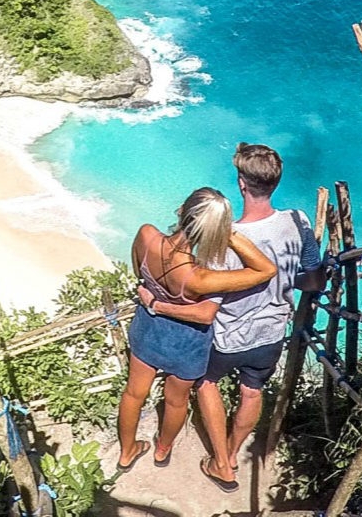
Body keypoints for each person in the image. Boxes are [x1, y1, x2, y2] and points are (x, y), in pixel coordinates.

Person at [139, 143, 323, 489]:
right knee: (251, 393)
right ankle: (234, 454)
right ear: (276, 182)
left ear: (241, 183)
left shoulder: (223, 240)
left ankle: (221, 462)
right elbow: (312, 279)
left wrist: (158, 304)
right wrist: (282, 283)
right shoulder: (298, 221)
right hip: (271, 332)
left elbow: (205, 302)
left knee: (206, 382)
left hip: (228, 334)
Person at [117, 187, 277, 474]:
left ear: (181, 210)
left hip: (148, 329)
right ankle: (162, 450)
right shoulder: (200, 278)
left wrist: (156, 300)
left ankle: (127, 452)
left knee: (133, 394)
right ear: (214, 231)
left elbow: (138, 274)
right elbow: (265, 270)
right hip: (186, 343)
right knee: (176, 401)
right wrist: (228, 234)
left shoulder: (146, 235)